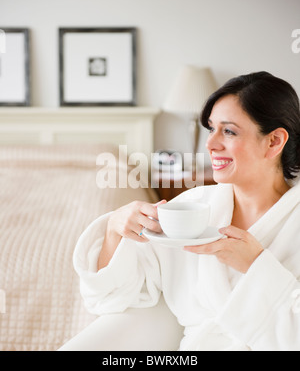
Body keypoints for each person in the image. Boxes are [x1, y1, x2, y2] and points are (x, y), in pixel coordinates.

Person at [67, 71, 300, 350]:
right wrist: (115, 231)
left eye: (228, 131)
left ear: (274, 141)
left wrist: (256, 266)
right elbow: (109, 300)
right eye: (211, 129)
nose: (210, 145)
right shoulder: (191, 209)